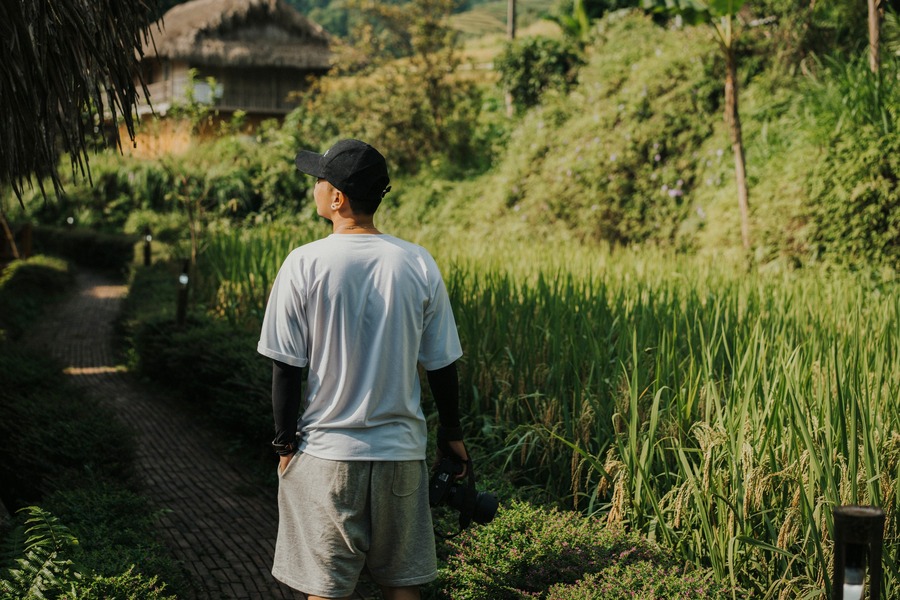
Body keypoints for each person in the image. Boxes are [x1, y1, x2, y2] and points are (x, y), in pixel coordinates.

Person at [257, 139, 469, 600]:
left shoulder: (303, 263)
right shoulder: (417, 261)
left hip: (328, 455)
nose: (314, 187)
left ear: (338, 199)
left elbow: (286, 367)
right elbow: (442, 364)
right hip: (402, 455)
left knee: (325, 590)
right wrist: (452, 433)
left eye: (320, 179)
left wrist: (284, 444)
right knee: (402, 586)